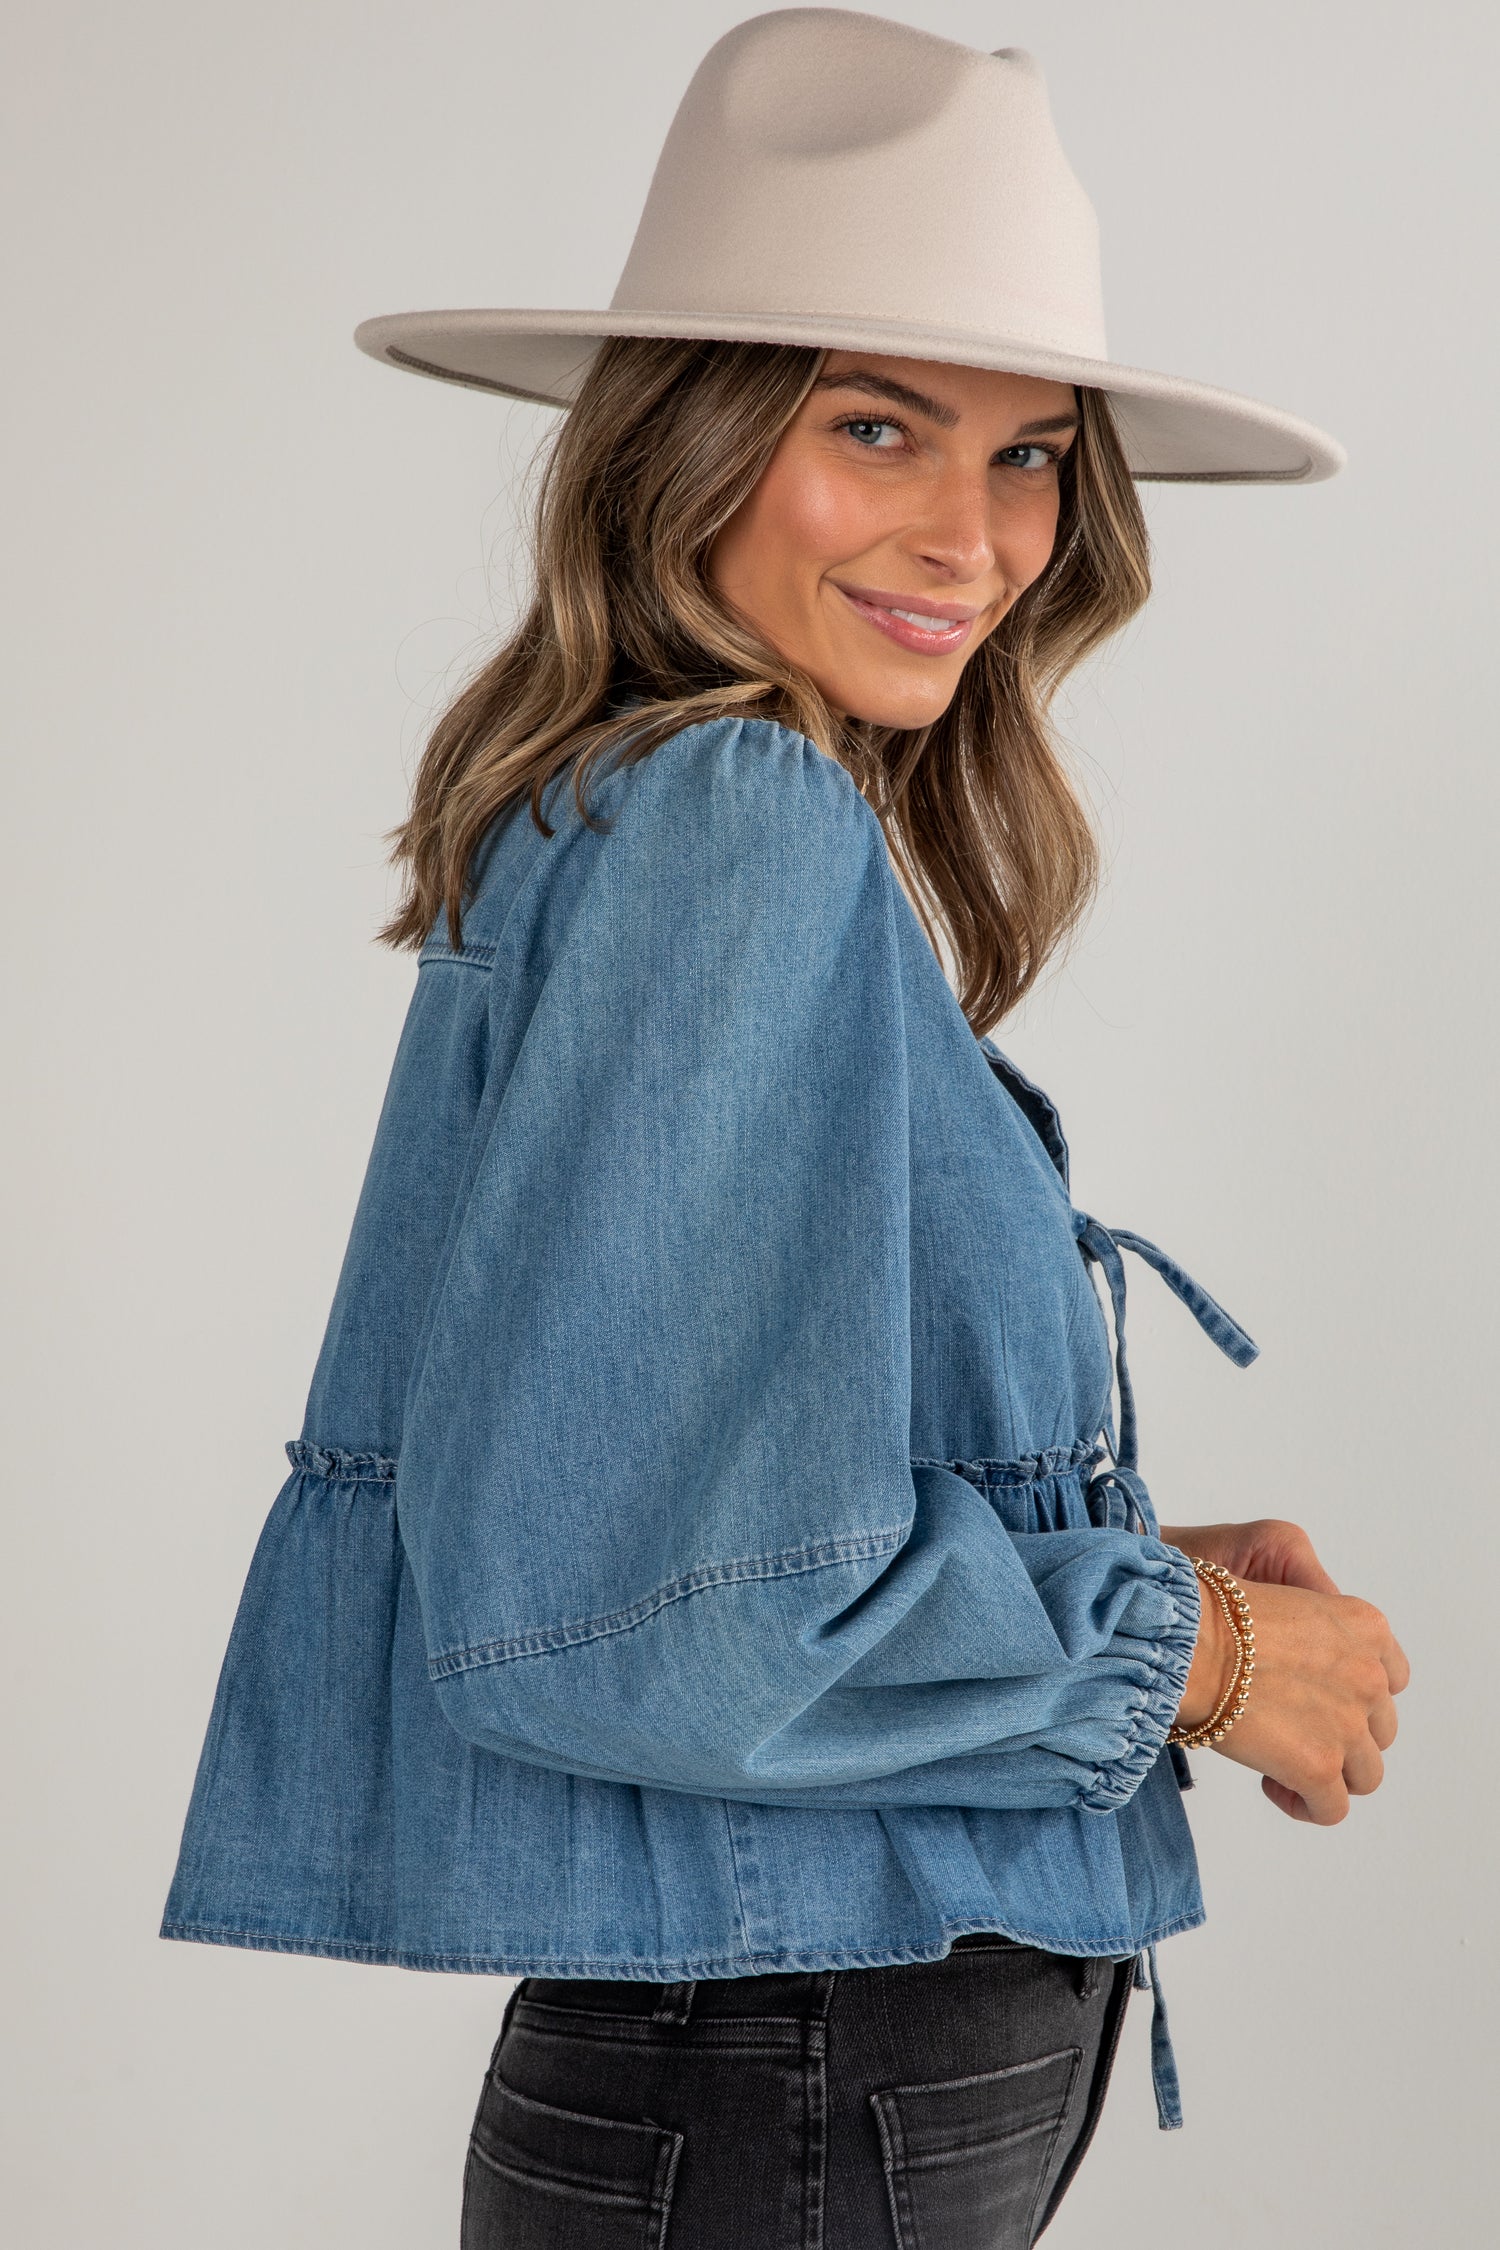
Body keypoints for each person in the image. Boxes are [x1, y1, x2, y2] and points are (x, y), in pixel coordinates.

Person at [160, 13, 1408, 2245]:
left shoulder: (659, 804)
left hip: (806, 2049)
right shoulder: (734, 815)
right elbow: (649, 1606)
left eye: (1031, 455)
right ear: (692, 440)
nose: (975, 535)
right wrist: (1191, 1656)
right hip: (801, 2050)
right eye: (874, 424)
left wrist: (1118, 1568)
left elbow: (679, 1511)